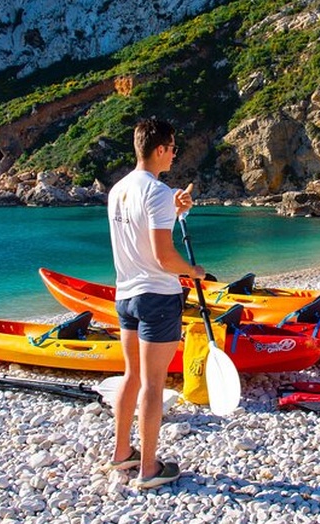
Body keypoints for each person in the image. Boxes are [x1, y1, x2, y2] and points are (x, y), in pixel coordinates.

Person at [106, 118, 205, 489]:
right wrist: (192, 271)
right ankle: (148, 469)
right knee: (153, 382)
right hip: (157, 297)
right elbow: (164, 258)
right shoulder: (159, 191)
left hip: (125, 295)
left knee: (132, 376)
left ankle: (122, 454)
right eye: (174, 147)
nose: (175, 154)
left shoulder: (119, 190)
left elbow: (139, 233)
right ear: (160, 149)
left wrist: (175, 210)